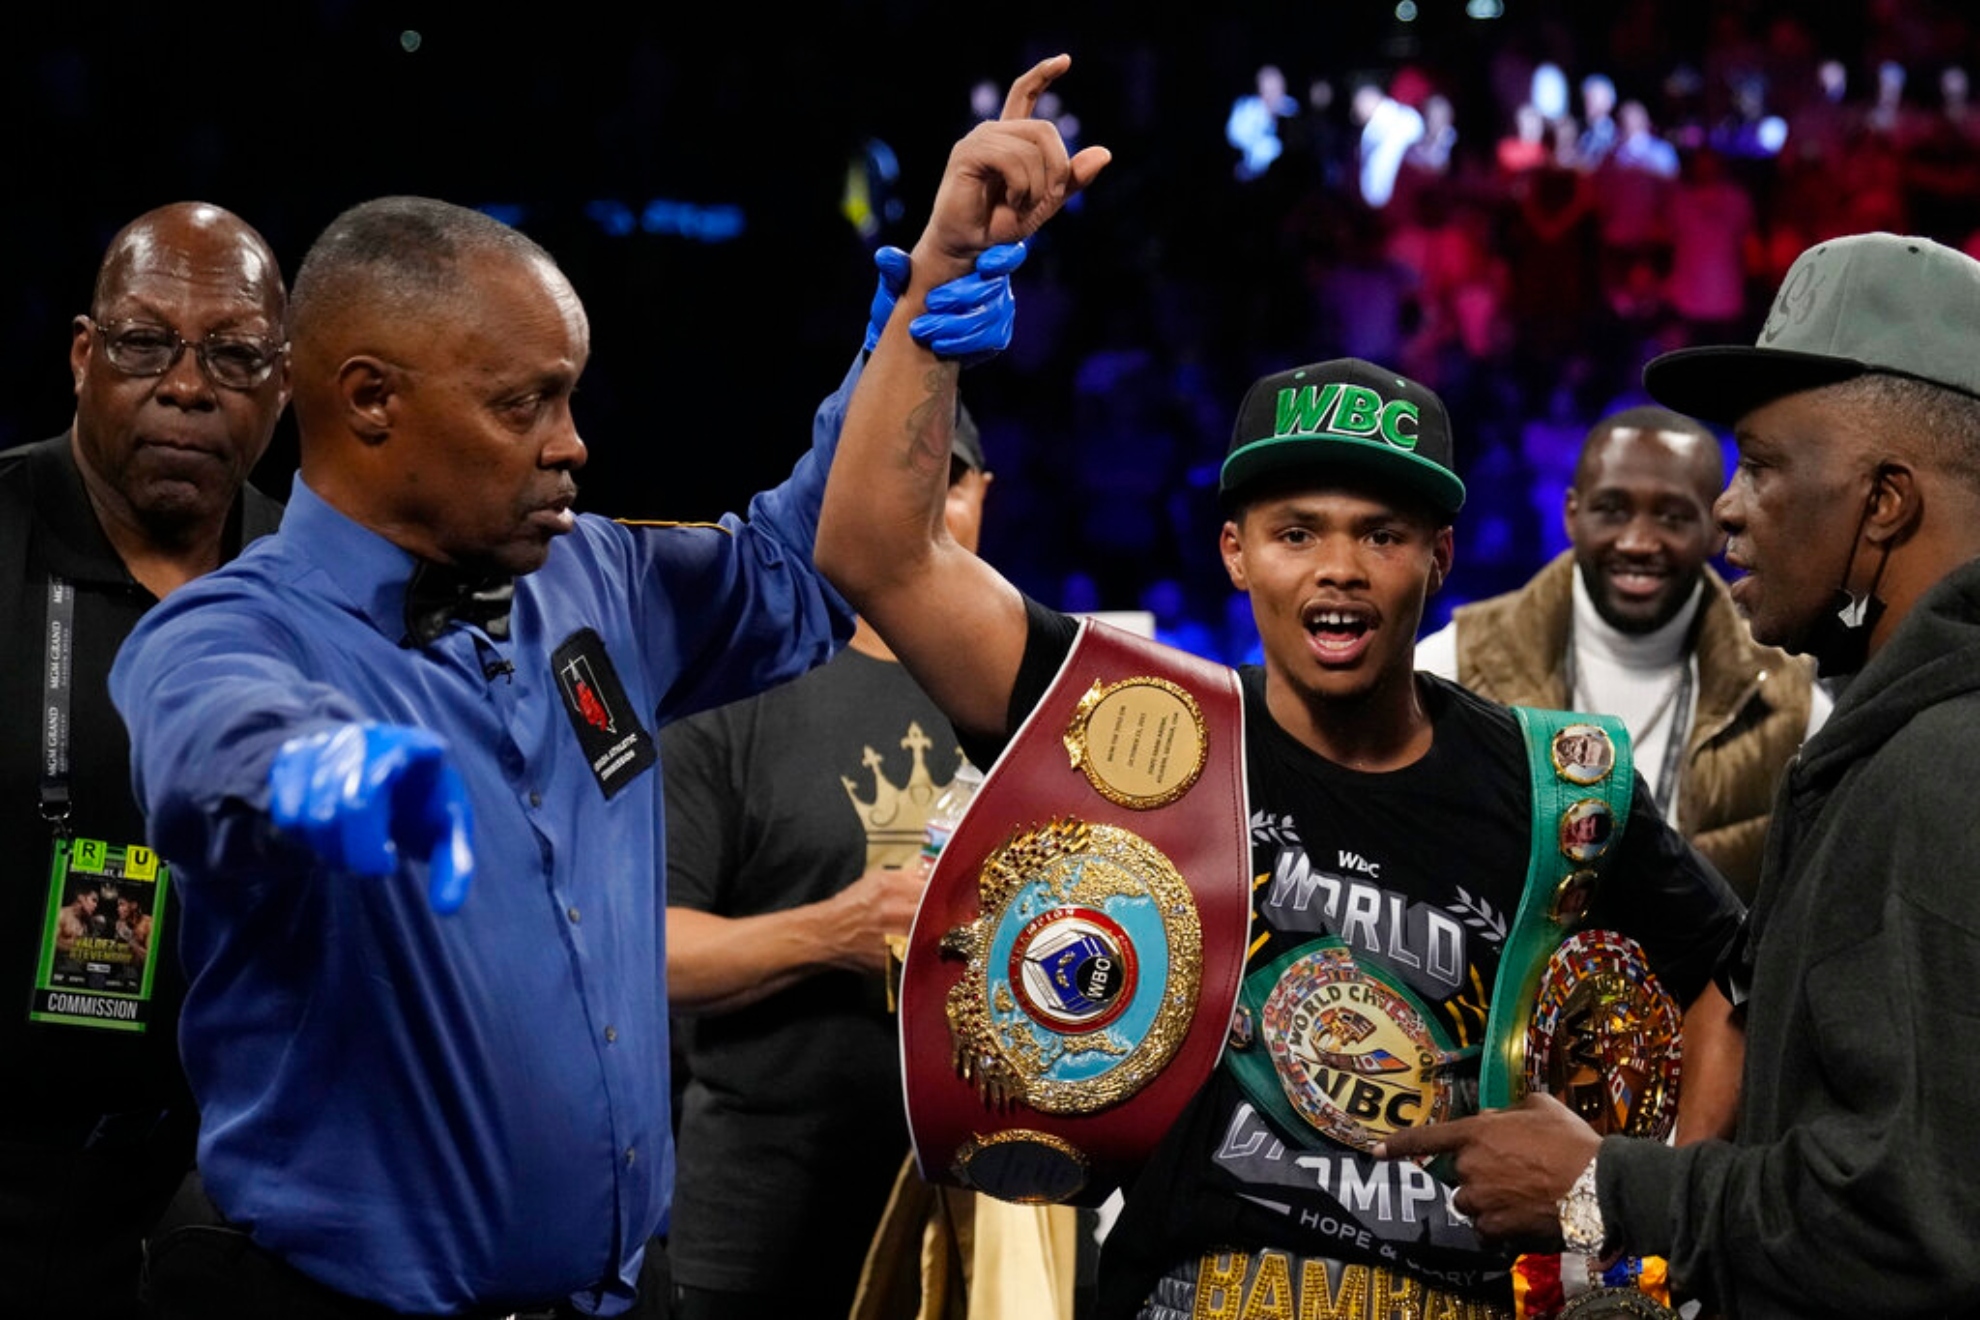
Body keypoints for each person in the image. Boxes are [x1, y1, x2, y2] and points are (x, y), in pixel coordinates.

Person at [815, 54, 1744, 1320]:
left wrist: (1637, 1230)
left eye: (1381, 534)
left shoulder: (1553, 784)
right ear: (1234, 553)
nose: (1339, 570)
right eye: (1297, 532)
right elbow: (874, 551)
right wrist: (941, 274)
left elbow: (1733, 980)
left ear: (1440, 558)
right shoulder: (1148, 727)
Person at [108, 189, 1024, 1320]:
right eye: (524, 404)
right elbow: (211, 743)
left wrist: (921, 316)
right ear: (371, 399)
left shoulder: (594, 577)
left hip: (624, 1297)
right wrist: (334, 777)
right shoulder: (228, 629)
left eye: (568, 396)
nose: (571, 442)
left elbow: (811, 562)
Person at [1381, 231, 1980, 1318]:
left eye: (1763, 466)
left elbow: (1913, 1226)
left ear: (1885, 503)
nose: (1730, 511)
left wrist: (1604, 1190)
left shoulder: (1946, 766)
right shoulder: (1890, 743)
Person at [0, 200, 288, 1320]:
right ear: (83, 356)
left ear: (284, 385)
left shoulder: (322, 587)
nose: (186, 386)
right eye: (143, 343)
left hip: (235, 1195)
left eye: (234, 355)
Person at [662, 404, 994, 1320]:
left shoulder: (1036, 693)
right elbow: (646, 954)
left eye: (948, 478)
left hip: (983, 1225)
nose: (921, 500)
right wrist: (833, 932)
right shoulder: (736, 686)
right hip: (760, 1235)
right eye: (896, 469)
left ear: (982, 495)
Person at [1416, 405, 1826, 898]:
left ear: (1717, 528)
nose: (1638, 542)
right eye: (1612, 510)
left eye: (1672, 517)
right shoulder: (1451, 664)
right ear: (1572, 515)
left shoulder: (1794, 702)